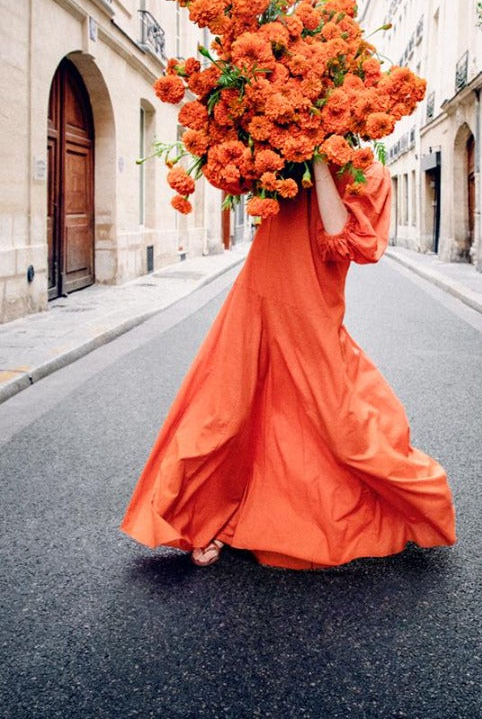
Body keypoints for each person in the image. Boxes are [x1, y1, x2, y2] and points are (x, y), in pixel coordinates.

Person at [120, 158, 456, 569]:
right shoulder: (283, 157)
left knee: (337, 422)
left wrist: (318, 160)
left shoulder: (366, 171)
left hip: (311, 304)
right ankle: (202, 518)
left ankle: (364, 503)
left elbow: (340, 236)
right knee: (226, 410)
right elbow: (240, 185)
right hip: (259, 291)